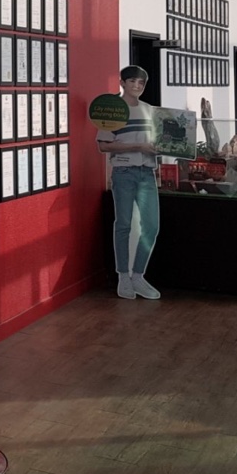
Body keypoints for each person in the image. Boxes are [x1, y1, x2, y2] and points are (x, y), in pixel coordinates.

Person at [96, 65, 161, 300]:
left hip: (147, 173)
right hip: (123, 171)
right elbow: (104, 145)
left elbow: (158, 141)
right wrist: (138, 146)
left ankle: (138, 276)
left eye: (141, 82)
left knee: (151, 226)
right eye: (132, 81)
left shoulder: (150, 110)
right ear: (122, 82)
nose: (137, 86)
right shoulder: (113, 109)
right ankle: (123, 276)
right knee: (123, 224)